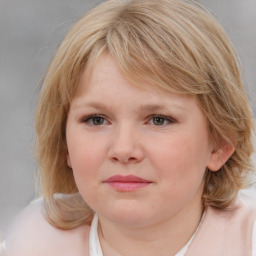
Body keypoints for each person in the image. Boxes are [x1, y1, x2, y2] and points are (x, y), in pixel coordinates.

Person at [3, 0, 256, 255]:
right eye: (96, 120)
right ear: (64, 143)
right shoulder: (33, 238)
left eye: (158, 120)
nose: (123, 149)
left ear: (220, 144)